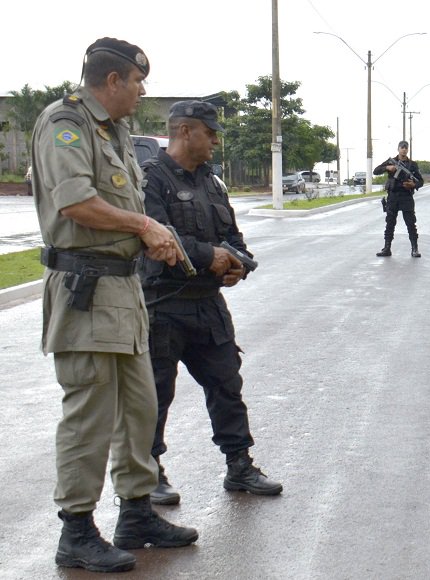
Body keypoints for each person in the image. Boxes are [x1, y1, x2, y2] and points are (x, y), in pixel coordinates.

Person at [31, 37, 198, 574]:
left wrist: (153, 232)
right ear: (112, 82)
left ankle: (135, 514)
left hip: (123, 291)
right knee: (89, 416)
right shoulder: (67, 124)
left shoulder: (117, 130)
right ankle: (76, 531)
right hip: (85, 290)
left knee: (138, 410)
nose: (143, 92)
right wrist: (144, 225)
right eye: (137, 82)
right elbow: (77, 203)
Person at [139, 101, 282, 504]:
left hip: (208, 306)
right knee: (154, 394)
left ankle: (239, 465)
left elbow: (236, 241)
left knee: (226, 385)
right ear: (185, 131)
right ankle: (148, 474)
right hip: (163, 306)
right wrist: (210, 256)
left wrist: (240, 265)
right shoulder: (152, 180)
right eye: (210, 132)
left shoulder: (212, 183)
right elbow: (155, 240)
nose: (216, 141)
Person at [374, 140, 424, 257]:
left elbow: (420, 181)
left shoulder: (412, 165)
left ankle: (414, 249)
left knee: (411, 223)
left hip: (406, 196)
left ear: (408, 149)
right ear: (398, 149)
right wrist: (388, 167)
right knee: (390, 223)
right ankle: (387, 248)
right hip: (393, 196)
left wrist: (414, 185)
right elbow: (376, 171)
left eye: (406, 147)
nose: (404, 149)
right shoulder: (391, 162)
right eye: (402, 147)